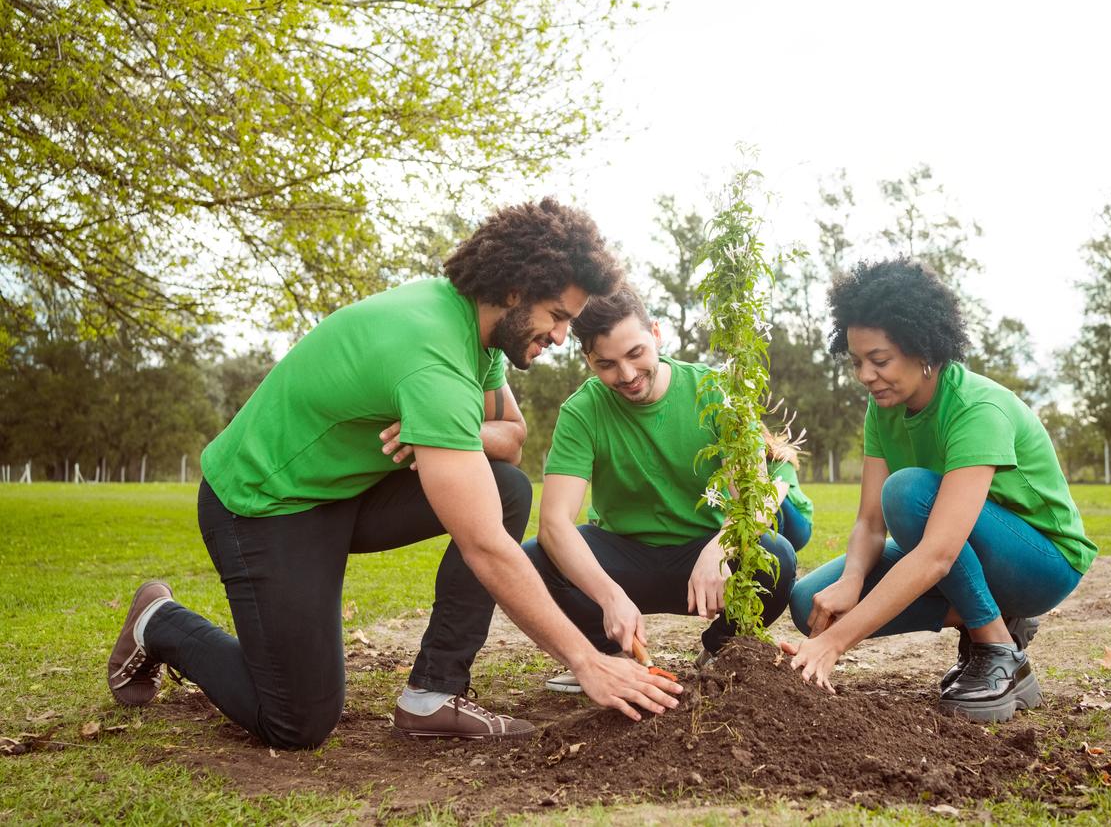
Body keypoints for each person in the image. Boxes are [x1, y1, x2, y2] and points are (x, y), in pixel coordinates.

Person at [106, 199, 682, 749]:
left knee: (506, 488)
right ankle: (160, 622)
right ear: (514, 291)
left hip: (345, 494)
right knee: (296, 719)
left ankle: (434, 694)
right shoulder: (432, 357)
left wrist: (451, 433)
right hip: (263, 507)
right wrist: (587, 661)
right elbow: (484, 547)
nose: (561, 337)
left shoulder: (475, 329)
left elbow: (511, 438)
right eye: (557, 317)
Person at [785, 259, 1098, 723]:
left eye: (880, 360)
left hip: (1043, 561)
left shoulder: (977, 408)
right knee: (809, 598)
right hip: (961, 548)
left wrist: (835, 643)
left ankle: (996, 646)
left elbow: (937, 553)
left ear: (924, 348)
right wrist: (851, 581)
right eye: (856, 362)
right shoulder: (883, 408)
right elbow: (869, 524)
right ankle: (993, 616)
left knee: (907, 493)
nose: (866, 376)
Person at [521, 286, 797, 692]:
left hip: (703, 556)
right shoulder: (582, 410)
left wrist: (722, 546)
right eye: (607, 364)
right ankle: (607, 656)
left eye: (635, 354)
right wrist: (610, 596)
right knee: (535, 559)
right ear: (588, 360)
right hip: (624, 555)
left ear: (655, 332)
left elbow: (754, 503)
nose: (627, 376)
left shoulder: (717, 391)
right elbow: (554, 525)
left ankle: (721, 650)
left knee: (776, 556)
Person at [763, 427, 814, 552]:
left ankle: (776, 553)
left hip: (798, 525)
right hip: (769, 518)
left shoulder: (781, 461)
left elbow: (773, 502)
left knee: (771, 499)